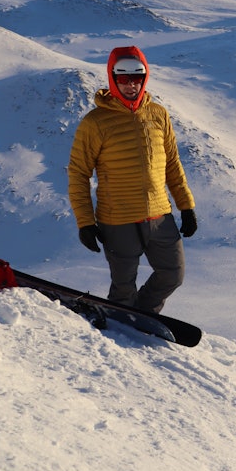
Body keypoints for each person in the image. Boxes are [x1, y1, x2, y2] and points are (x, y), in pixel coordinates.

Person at [68, 46, 197, 313]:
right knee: (123, 286)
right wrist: (85, 223)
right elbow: (79, 173)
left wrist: (186, 206)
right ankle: (121, 334)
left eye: (137, 77)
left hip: (159, 215)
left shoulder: (158, 114)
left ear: (145, 77)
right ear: (113, 79)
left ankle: (142, 315)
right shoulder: (95, 122)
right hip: (118, 219)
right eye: (123, 78)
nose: (131, 84)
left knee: (173, 274)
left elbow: (172, 163)